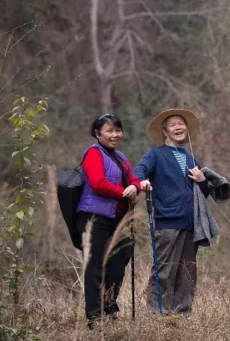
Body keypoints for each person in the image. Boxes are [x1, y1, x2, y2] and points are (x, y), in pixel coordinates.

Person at [134, 108, 209, 315]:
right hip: (167, 221)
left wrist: (203, 181)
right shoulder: (155, 154)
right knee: (164, 270)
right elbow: (139, 171)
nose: (178, 127)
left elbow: (205, 193)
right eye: (173, 124)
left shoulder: (192, 159)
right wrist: (142, 182)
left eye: (181, 123)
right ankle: (157, 313)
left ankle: (182, 313)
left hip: (190, 223)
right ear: (165, 131)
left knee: (187, 272)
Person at [76, 113, 142, 328]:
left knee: (117, 266)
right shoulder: (93, 153)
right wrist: (125, 192)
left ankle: (110, 311)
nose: (115, 135)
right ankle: (95, 317)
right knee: (95, 267)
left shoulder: (121, 157)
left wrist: (136, 187)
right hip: (95, 217)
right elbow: (98, 183)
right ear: (97, 133)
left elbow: (133, 180)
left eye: (118, 130)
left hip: (119, 218)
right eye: (109, 131)